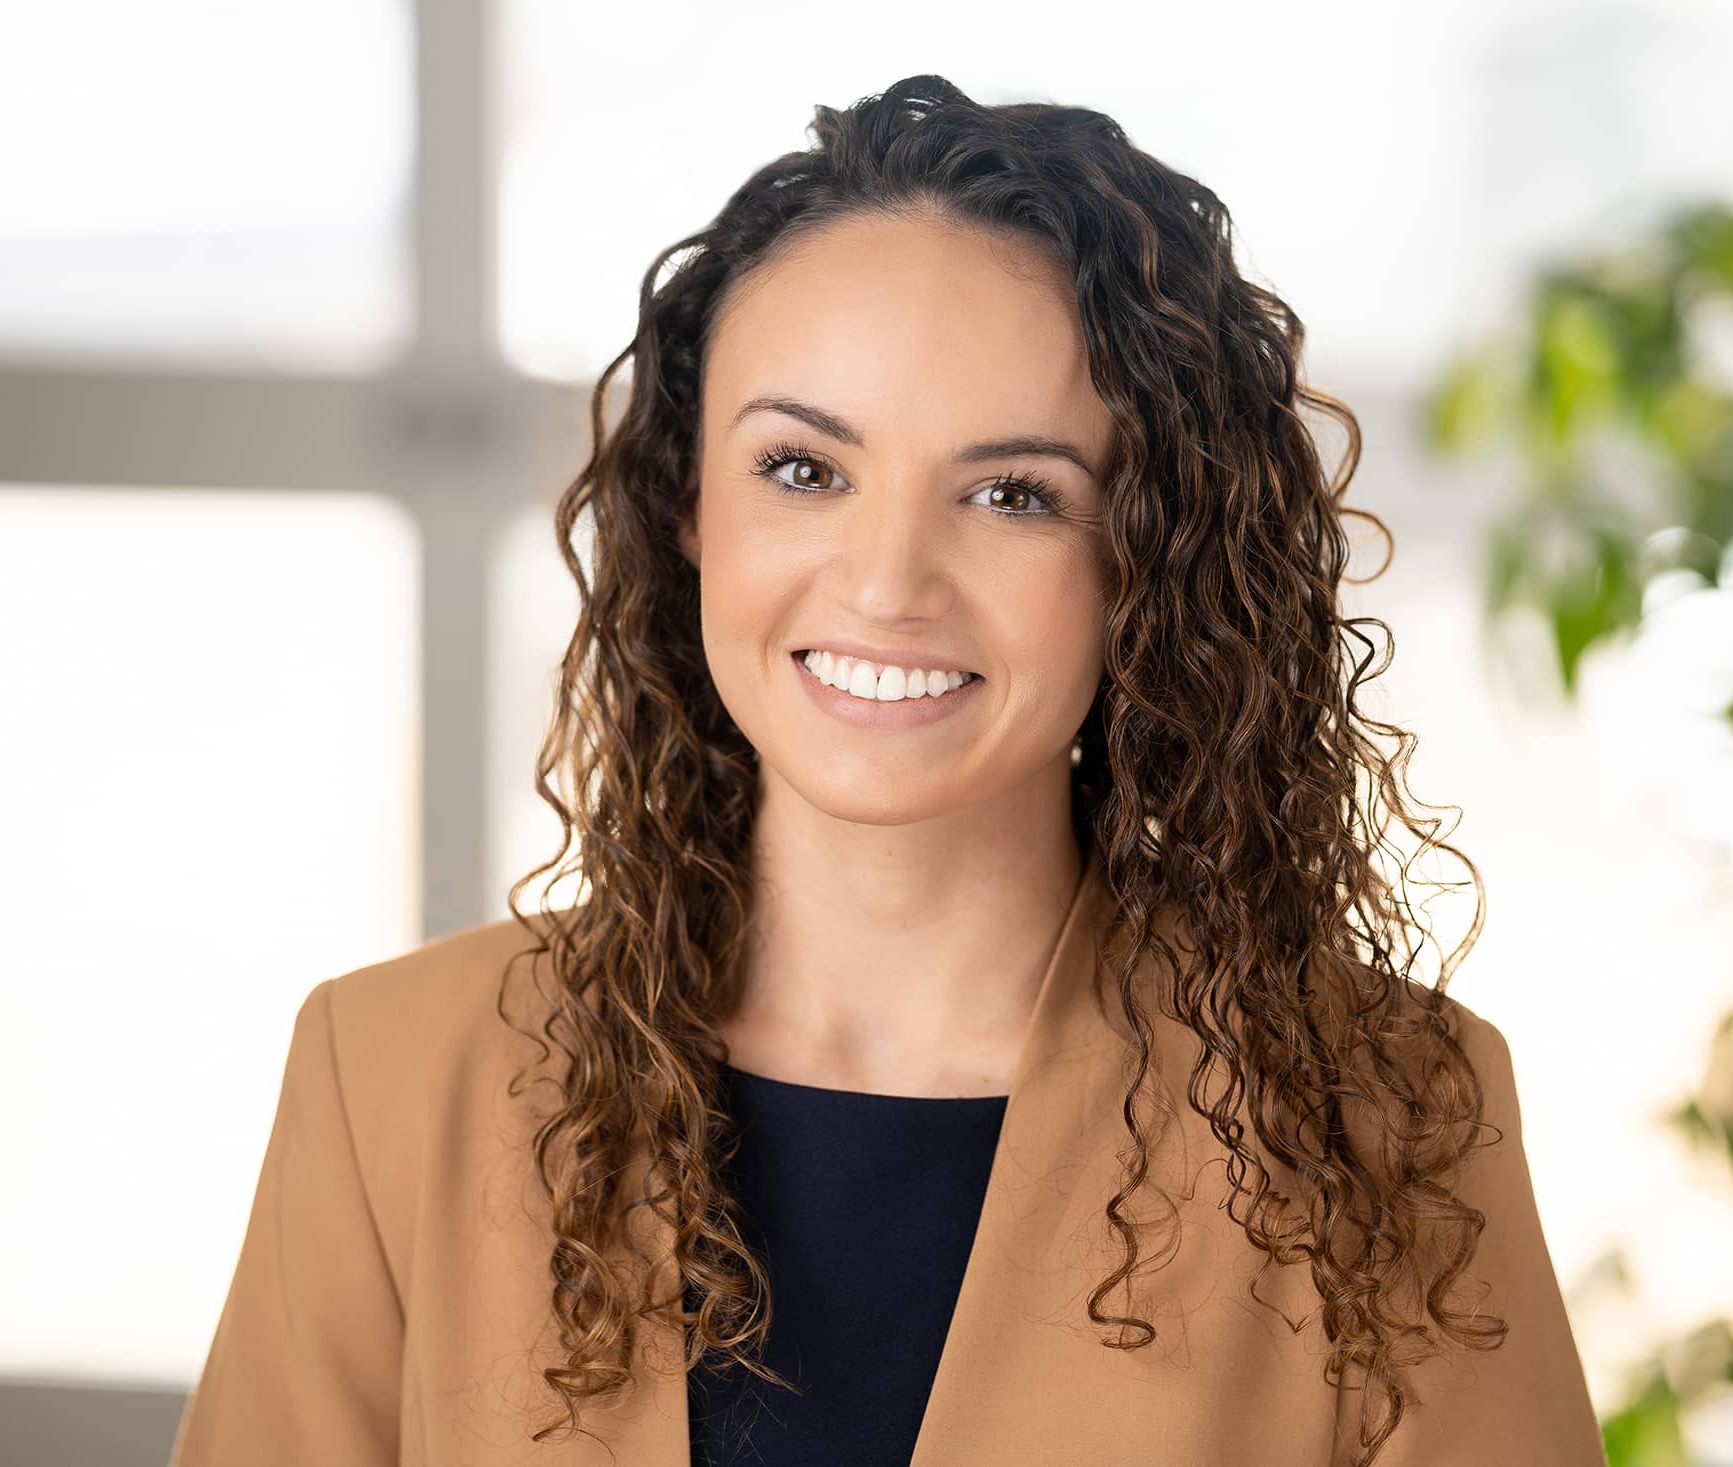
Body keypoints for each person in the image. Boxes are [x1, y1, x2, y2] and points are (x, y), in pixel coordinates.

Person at [170, 74, 1608, 1467]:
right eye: (804, 468)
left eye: (1012, 494)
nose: (888, 582)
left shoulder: (1386, 1122)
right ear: (687, 504)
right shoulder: (392, 1079)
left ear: (1147, 564)